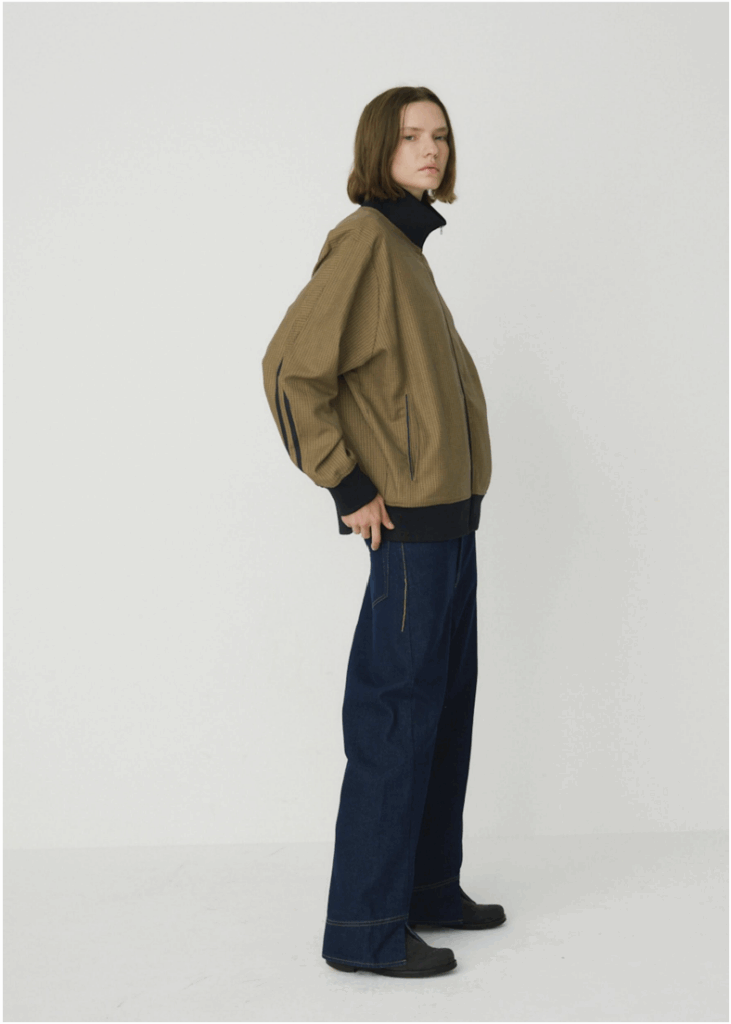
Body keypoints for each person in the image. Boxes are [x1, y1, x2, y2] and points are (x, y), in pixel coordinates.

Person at [262, 85, 506, 978]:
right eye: (410, 136)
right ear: (379, 149)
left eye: (439, 135)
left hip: (449, 522)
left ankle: (428, 887)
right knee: (397, 716)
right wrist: (348, 483)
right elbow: (291, 369)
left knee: (443, 710)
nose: (430, 148)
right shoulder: (367, 240)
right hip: (406, 528)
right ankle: (364, 928)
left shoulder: (406, 249)